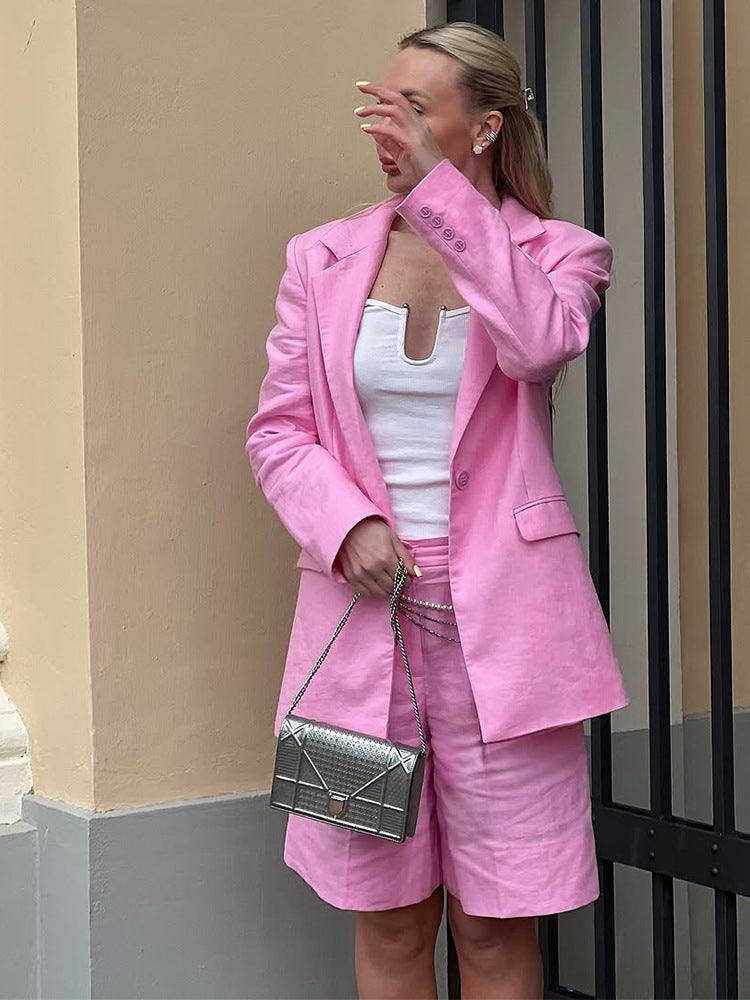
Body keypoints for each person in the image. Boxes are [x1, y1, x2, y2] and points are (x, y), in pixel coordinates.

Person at [245, 21, 630, 1000]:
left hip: (511, 634)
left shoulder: (560, 254)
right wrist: (347, 526)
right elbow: (279, 433)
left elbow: (539, 345)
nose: (389, 130)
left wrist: (439, 195)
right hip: (361, 623)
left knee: (496, 931)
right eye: (383, 106)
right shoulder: (322, 258)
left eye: (415, 110)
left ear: (485, 127)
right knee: (390, 917)